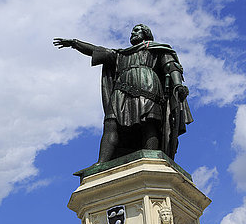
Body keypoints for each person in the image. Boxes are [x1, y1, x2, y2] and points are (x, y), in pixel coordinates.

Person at [54, 24, 193, 163]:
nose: (133, 33)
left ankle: (151, 160)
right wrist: (74, 43)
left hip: (148, 87)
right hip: (120, 91)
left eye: (137, 30)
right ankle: (101, 163)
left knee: (149, 123)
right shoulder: (121, 55)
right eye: (132, 31)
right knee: (111, 124)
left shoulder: (158, 49)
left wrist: (178, 84)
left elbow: (171, 66)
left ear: (146, 33)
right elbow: (96, 50)